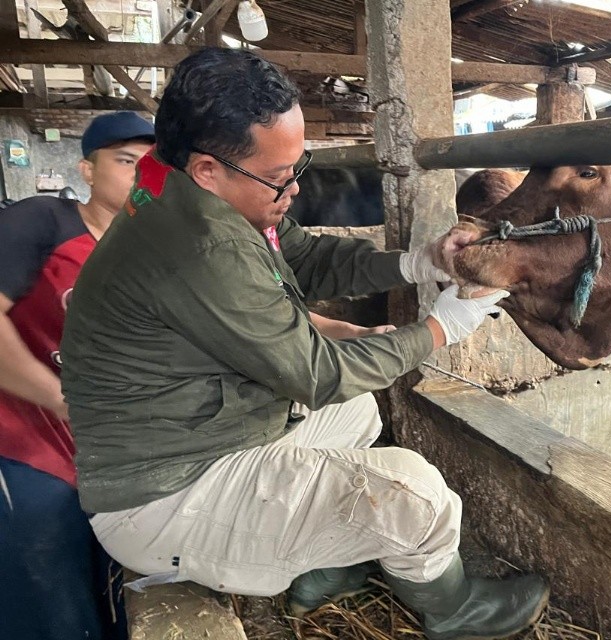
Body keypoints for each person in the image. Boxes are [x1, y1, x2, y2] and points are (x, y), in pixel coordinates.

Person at [60, 48, 549, 640]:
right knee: (417, 496)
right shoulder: (200, 246)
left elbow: (305, 259)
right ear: (209, 169)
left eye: (298, 165)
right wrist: (442, 328)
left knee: (356, 412)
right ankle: (456, 610)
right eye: (277, 176)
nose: (293, 188)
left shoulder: (192, 188)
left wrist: (418, 263)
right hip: (165, 494)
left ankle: (327, 569)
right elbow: (318, 373)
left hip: (204, 429)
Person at [0, 111, 155, 640]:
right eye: (125, 161)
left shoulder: (152, 252)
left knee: (111, 589)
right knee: (47, 592)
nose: (141, 173)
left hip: (106, 452)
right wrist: (61, 399)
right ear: (87, 170)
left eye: (153, 164)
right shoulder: (42, 221)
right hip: (25, 440)